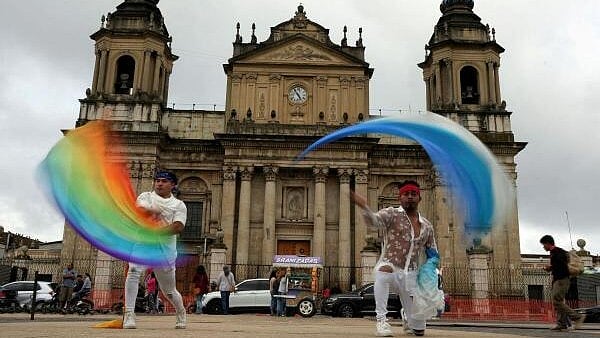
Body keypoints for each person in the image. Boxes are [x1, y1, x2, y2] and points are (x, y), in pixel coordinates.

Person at [352, 180, 437, 337]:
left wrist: (431, 272)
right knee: (383, 273)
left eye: (413, 194)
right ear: (400, 198)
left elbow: (432, 251)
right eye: (406, 194)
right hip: (390, 264)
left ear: (419, 198)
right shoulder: (391, 214)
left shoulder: (427, 226)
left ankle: (408, 317)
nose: (410, 197)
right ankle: (382, 321)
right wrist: (364, 207)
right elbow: (374, 221)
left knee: (418, 330)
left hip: (411, 273)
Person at [123, 171, 188, 329]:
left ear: (172, 185)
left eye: (164, 181)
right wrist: (151, 212)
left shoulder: (179, 205)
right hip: (143, 243)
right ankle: (129, 314)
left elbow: (178, 227)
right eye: (157, 180)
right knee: (133, 271)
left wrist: (155, 232)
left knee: (169, 291)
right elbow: (140, 211)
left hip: (165, 249)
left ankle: (181, 312)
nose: (159, 183)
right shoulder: (146, 197)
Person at [540, 235, 586, 331]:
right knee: (560, 302)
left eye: (544, 244)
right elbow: (560, 264)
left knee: (557, 301)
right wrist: (552, 267)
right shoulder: (556, 252)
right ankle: (562, 324)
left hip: (561, 280)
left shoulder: (557, 252)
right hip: (560, 279)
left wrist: (550, 268)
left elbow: (562, 266)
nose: (543, 247)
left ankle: (577, 317)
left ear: (548, 243)